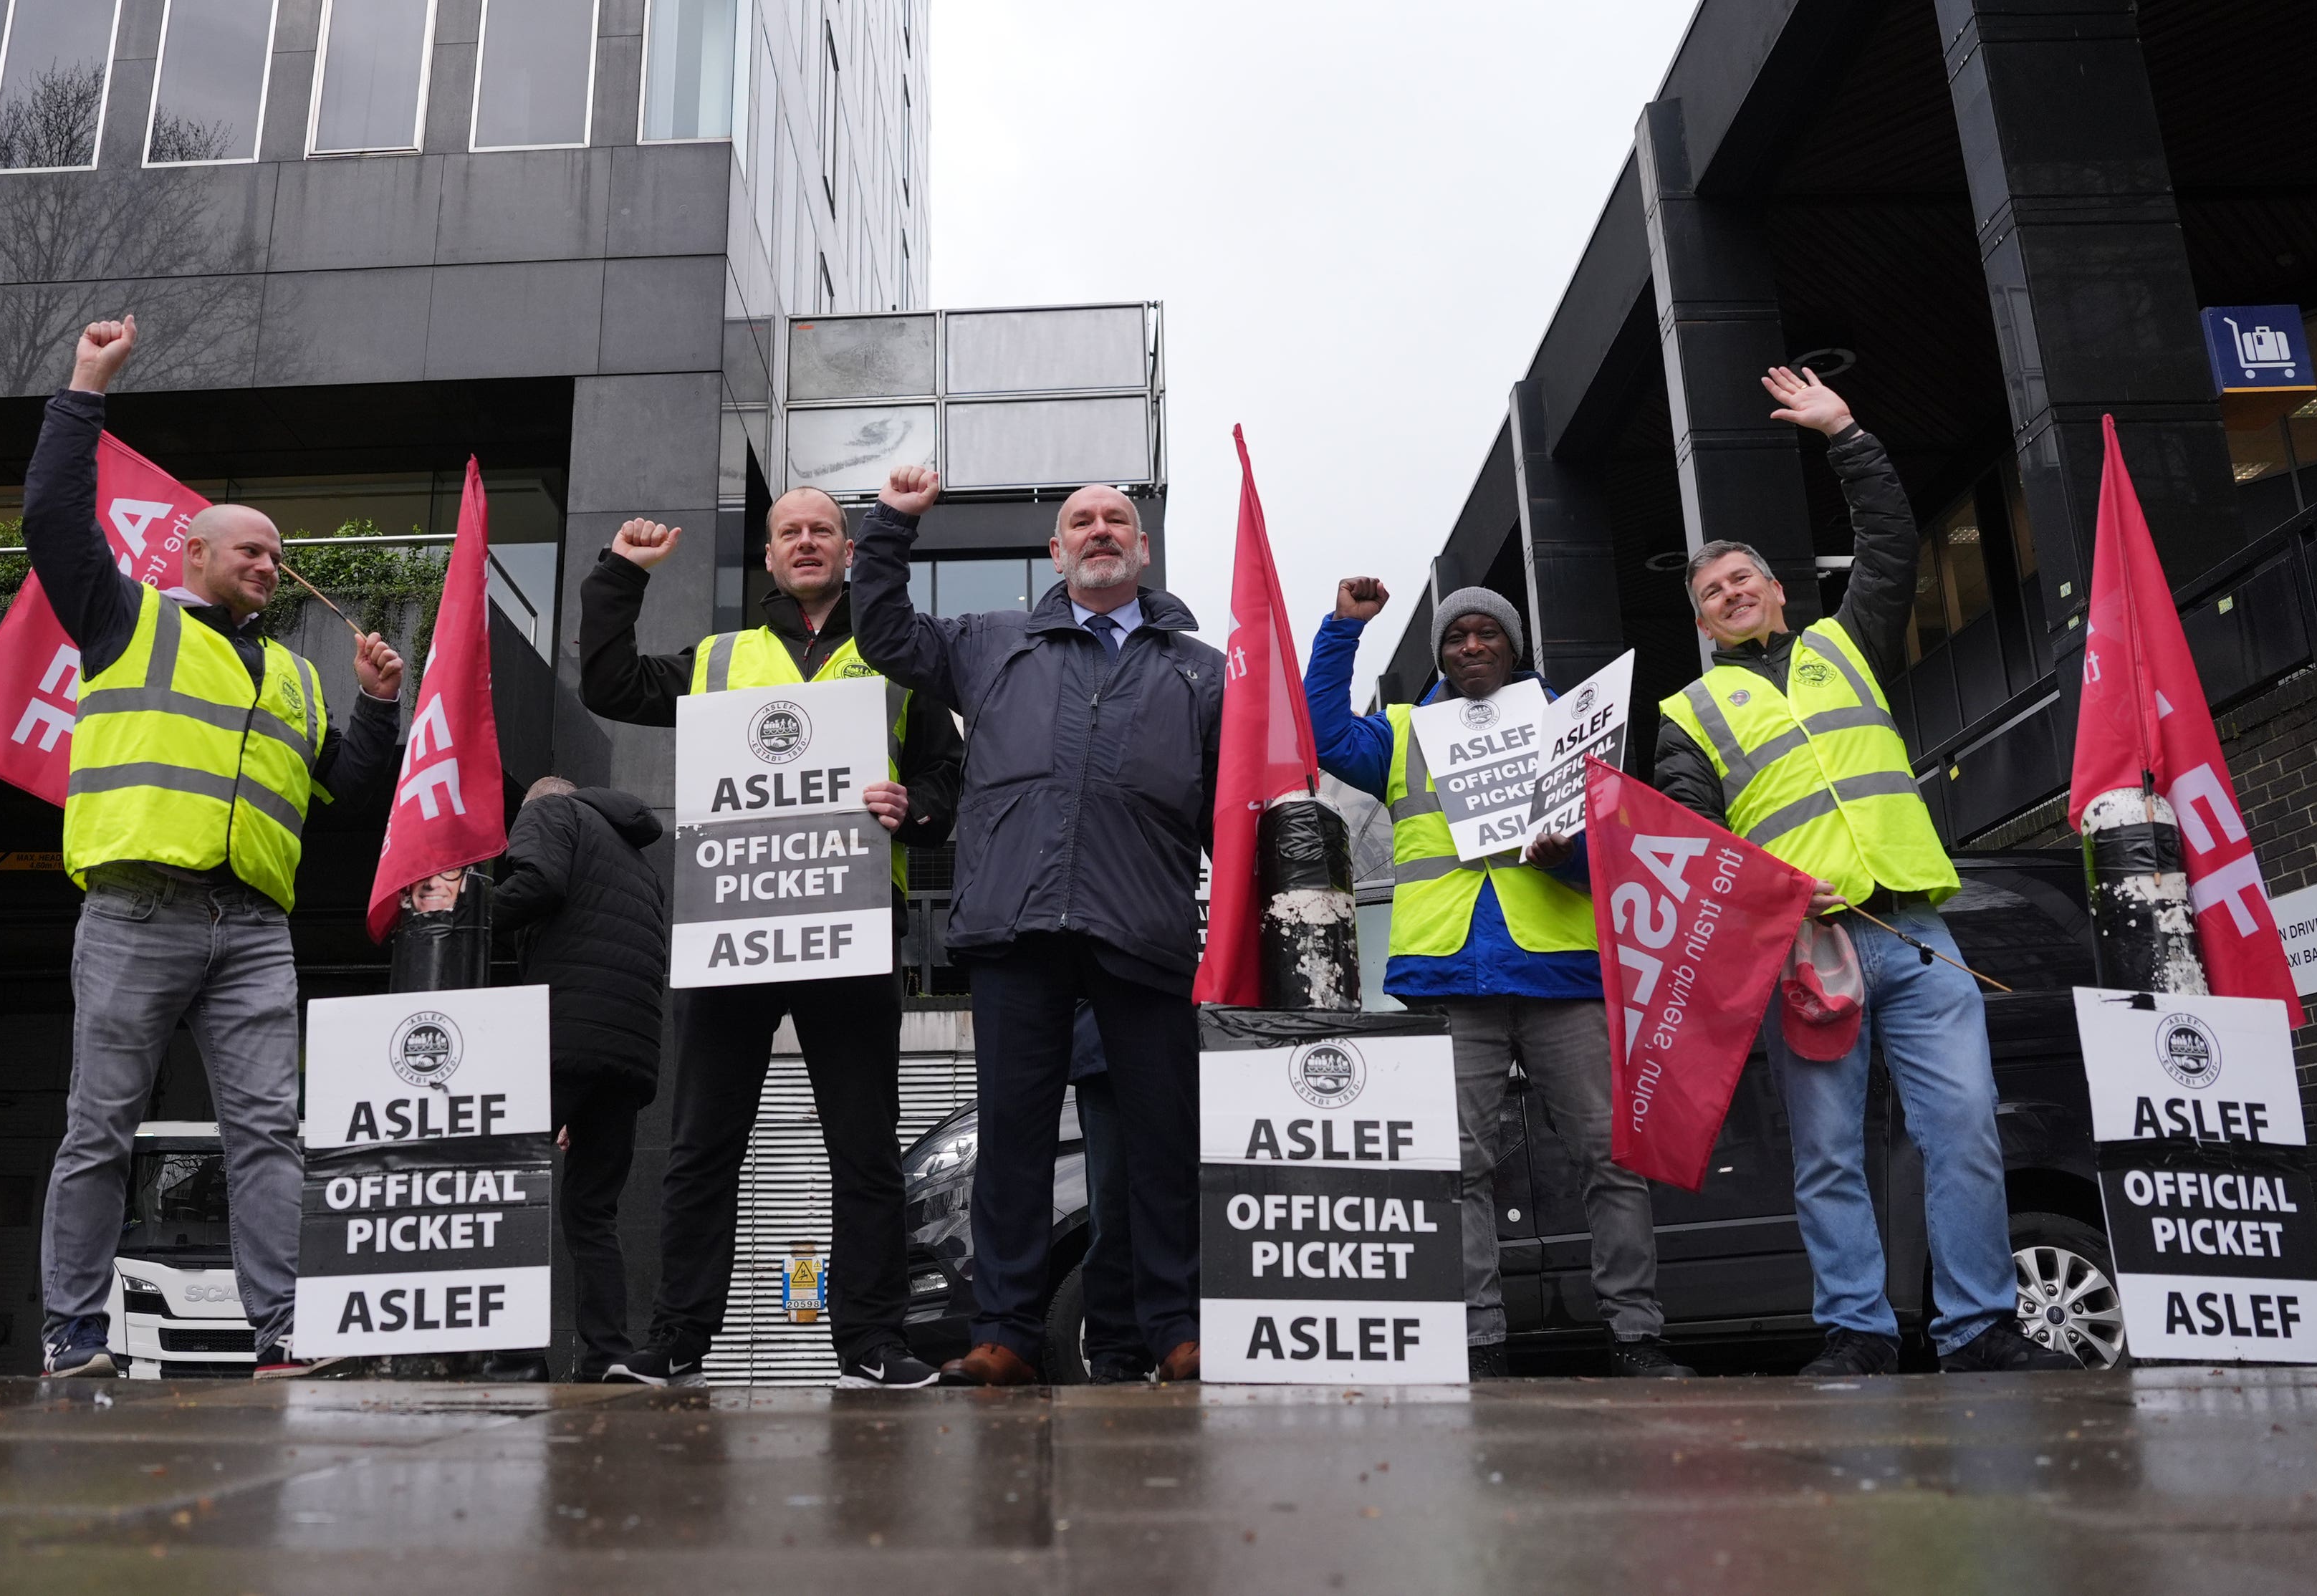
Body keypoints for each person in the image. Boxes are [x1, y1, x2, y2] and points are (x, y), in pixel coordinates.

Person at [1652, 365, 2079, 1376]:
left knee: (1967, 1134)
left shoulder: (1847, 643)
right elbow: (1688, 843)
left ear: (1776, 589)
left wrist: (1844, 430)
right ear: (1705, 624)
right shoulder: (1689, 715)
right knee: (1829, 1157)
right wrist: (1773, 894)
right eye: (1712, 593)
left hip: (1919, 939)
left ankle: (1979, 1328)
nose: (1730, 592)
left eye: (1742, 578)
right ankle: (1858, 1332)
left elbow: (1890, 540)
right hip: (1809, 956)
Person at [30, 317, 405, 1378]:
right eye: (252, 548)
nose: (270, 564)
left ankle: (284, 1334)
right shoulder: (122, 619)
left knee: (269, 1136)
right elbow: (52, 516)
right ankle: (72, 1335)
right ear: (192, 551)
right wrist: (85, 390)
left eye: (278, 556)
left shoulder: (292, 676)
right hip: (135, 911)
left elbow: (349, 791)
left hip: (251, 928)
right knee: (99, 1129)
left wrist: (376, 707)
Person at [577, 486, 961, 1390]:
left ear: (848, 549)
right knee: (705, 1141)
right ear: (768, 557)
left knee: (862, 1146)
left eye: (821, 529)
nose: (805, 542)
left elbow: (947, 782)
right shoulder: (717, 658)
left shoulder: (898, 656)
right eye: (788, 531)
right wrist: (619, 575)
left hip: (853, 925)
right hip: (733, 930)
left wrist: (916, 811)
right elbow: (607, 682)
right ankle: (676, 1341)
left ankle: (869, 1339)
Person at [850, 467, 1222, 1386]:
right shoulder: (990, 641)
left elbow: (1232, 808)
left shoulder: (1202, 671)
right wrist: (893, 521)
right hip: (1015, 924)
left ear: (1141, 549)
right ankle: (1007, 1333)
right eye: (1080, 522)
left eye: (1117, 521)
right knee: (1013, 1137)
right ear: (1054, 551)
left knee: (1159, 1140)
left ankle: (1175, 1326)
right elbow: (883, 629)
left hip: (1143, 927)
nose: (1100, 531)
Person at [1306, 580, 1693, 1380]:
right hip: (1451, 974)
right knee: (1454, 1168)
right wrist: (1343, 628)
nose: (1471, 646)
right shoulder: (1403, 731)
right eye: (1456, 637)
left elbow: (1616, 859)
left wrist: (1571, 853)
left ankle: (1635, 1335)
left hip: (1559, 972)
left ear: (1513, 648)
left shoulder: (1574, 727)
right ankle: (1479, 1342)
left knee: (1610, 1160)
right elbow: (1322, 732)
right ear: (1439, 653)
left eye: (1487, 634)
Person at [491, 776, 669, 1382]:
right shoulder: (640, 863)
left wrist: (465, 907)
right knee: (593, 1211)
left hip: (562, 1037)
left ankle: (510, 1353)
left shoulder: (550, 813)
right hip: (627, 1054)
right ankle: (609, 1354)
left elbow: (538, 884)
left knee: (502, 1183)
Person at [1070, 1002, 1151, 1383]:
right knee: (1112, 1210)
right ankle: (1116, 1353)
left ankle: (1124, 1352)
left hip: (1215, 1035)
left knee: (1216, 1203)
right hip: (1104, 1042)